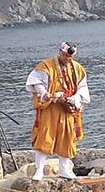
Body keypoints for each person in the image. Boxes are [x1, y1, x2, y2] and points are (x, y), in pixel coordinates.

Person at [25, 41, 90, 181]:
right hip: (51, 107)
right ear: (60, 52)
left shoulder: (77, 68)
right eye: (65, 56)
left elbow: (82, 88)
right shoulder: (47, 65)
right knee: (44, 137)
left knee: (67, 139)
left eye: (70, 57)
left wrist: (75, 98)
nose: (68, 59)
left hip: (67, 108)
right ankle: (39, 170)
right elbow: (36, 82)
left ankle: (64, 169)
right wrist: (43, 93)